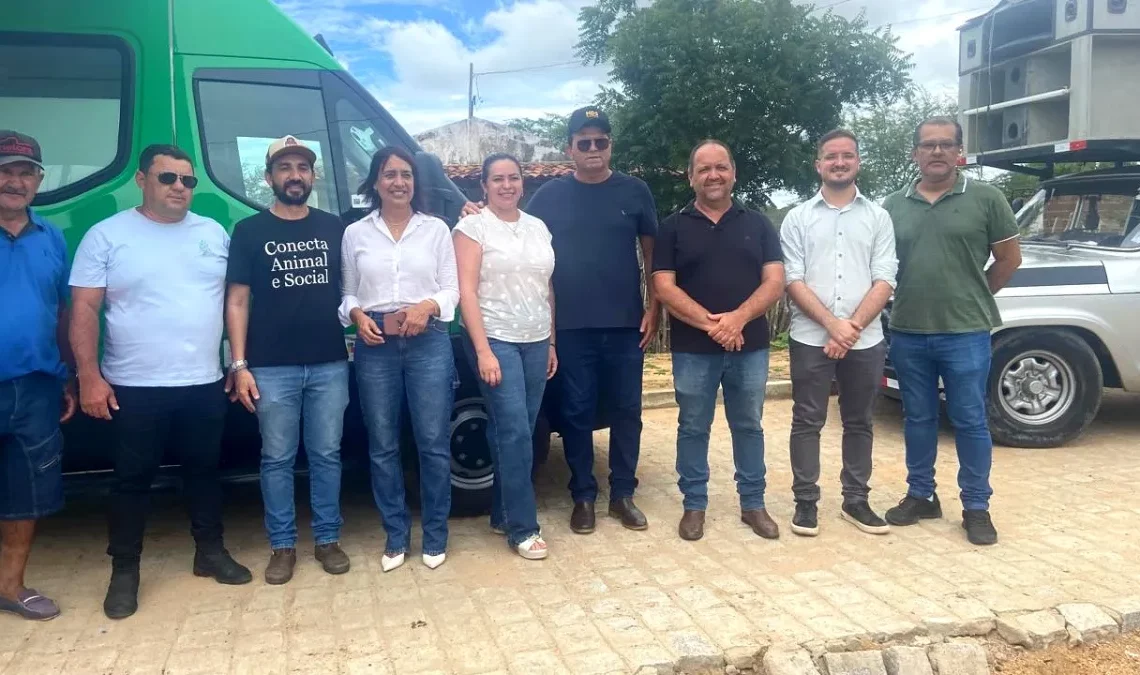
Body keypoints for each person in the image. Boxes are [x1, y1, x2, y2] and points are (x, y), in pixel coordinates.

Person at [70, 144, 252, 620]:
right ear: (141, 180)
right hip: (133, 385)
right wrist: (88, 376)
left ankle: (209, 553)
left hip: (203, 381)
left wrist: (236, 364)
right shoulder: (107, 235)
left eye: (187, 181)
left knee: (204, 473)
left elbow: (237, 302)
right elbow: (84, 308)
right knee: (131, 481)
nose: (179, 188)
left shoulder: (212, 233)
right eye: (167, 178)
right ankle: (125, 572)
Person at [881, 117, 1022, 546]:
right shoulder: (892, 205)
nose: (937, 152)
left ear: (960, 152)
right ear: (915, 153)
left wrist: (974, 294)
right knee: (918, 418)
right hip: (908, 330)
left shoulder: (986, 198)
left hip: (966, 332)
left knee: (970, 420)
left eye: (946, 145)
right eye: (928, 145)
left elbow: (1008, 259)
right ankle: (921, 495)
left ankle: (976, 506)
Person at [525, 105, 659, 535]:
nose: (593, 149)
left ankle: (623, 494)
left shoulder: (635, 191)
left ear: (609, 145)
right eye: (584, 143)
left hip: (625, 324)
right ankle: (582, 495)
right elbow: (518, 236)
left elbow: (653, 256)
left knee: (627, 411)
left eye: (601, 141)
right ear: (570, 149)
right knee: (577, 412)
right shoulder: (548, 197)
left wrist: (654, 307)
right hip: (569, 326)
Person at [225, 136, 350, 584]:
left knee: (327, 455)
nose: (294, 175)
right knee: (276, 458)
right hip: (270, 366)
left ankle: (328, 540)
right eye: (285, 168)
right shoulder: (249, 231)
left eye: (302, 167)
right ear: (269, 178)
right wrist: (239, 365)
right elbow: (237, 300)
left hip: (329, 362)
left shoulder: (335, 227)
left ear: (312, 177)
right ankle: (282, 546)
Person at [652, 140, 786, 542]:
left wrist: (738, 319)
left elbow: (775, 281)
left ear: (733, 173)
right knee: (693, 427)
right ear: (692, 177)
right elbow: (663, 286)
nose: (714, 175)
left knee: (749, 425)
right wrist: (714, 326)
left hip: (751, 345)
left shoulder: (758, 224)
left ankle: (753, 504)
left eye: (721, 167)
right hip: (694, 350)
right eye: (704, 169)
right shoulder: (672, 227)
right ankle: (694, 505)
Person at [341, 146, 459, 572]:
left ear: (415, 182)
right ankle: (395, 535)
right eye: (390, 174)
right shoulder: (356, 233)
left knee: (432, 442)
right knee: (383, 444)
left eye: (406, 174)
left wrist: (426, 306)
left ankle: (435, 535)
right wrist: (355, 315)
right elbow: (348, 293)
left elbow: (452, 290)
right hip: (375, 345)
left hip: (427, 340)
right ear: (375, 182)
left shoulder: (436, 230)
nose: (398, 182)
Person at [780, 129, 897, 538]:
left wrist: (850, 330)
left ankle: (856, 500)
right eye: (831, 156)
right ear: (819, 164)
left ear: (858, 162)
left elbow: (885, 278)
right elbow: (792, 279)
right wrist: (834, 326)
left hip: (865, 340)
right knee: (807, 420)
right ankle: (806, 502)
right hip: (810, 337)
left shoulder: (879, 217)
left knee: (859, 421)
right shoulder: (798, 217)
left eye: (847, 155)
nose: (840, 162)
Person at [454, 153, 557, 561]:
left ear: (522, 182)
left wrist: (551, 342)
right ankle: (524, 527)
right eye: (497, 179)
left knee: (517, 430)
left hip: (535, 339)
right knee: (514, 431)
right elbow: (466, 293)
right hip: (495, 338)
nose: (506, 185)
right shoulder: (471, 228)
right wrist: (482, 351)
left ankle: (501, 511)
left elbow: (547, 288)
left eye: (513, 178)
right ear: (484, 185)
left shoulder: (538, 228)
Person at [0, 131, 76, 621]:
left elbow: (64, 313)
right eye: (5, 170)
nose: (15, 180)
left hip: (37, 385)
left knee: (27, 488)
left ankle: (10, 585)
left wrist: (69, 376)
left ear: (39, 180)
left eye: (26, 172)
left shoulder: (52, 237)